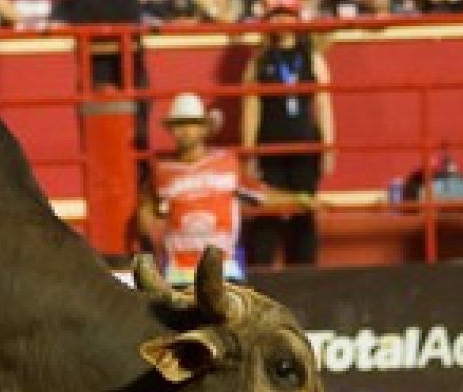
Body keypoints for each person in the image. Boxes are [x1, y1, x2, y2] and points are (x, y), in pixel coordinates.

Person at [239, 25, 333, 269]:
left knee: (304, 214)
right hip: (269, 149)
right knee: (265, 213)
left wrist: (328, 147)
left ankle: (305, 272)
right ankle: (261, 273)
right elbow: (251, 109)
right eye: (276, 15)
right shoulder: (259, 61)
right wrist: (249, 153)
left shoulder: (312, 58)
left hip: (304, 149)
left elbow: (323, 105)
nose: (282, 22)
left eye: (287, 15)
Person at [138, 93, 252, 285]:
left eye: (191, 123)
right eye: (179, 124)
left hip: (224, 268)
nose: (184, 130)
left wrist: (303, 199)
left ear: (204, 128)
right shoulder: (161, 171)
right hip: (179, 272)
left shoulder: (228, 162)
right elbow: (147, 211)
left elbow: (259, 193)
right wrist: (153, 236)